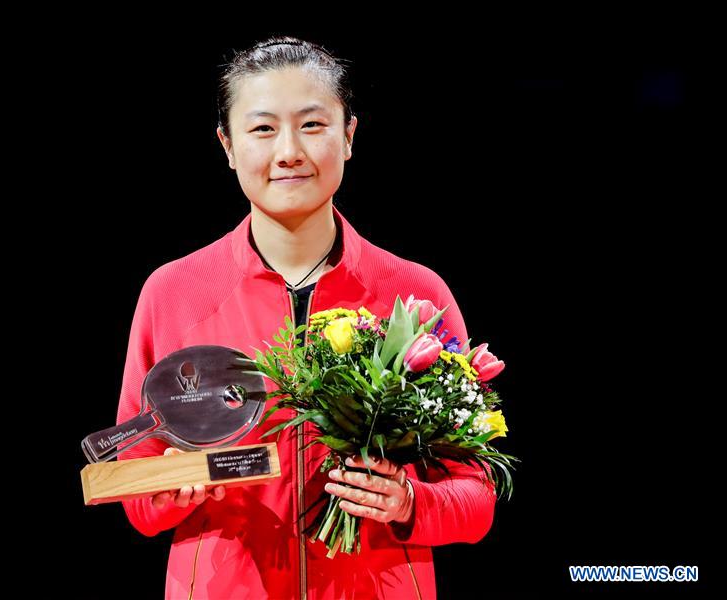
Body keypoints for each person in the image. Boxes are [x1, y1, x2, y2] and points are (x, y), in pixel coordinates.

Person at [114, 36, 495, 599]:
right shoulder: (174, 293)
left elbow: (476, 495)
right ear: (227, 145)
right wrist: (165, 488)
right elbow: (133, 485)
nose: (288, 151)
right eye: (263, 129)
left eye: (312, 125)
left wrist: (411, 502)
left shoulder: (415, 296)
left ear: (349, 136)